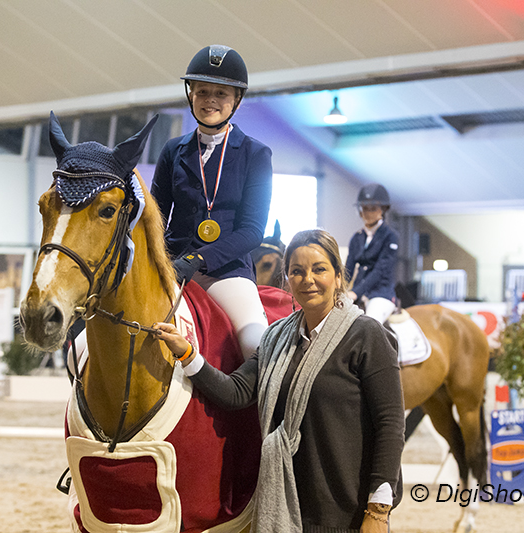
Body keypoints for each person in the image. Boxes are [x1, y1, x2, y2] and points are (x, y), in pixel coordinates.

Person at [152, 229, 405, 533]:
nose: (308, 279)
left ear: (338, 277)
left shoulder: (366, 335)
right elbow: (237, 392)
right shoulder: (276, 337)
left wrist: (378, 511)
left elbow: (390, 424)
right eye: (297, 271)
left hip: (348, 508)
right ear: (287, 278)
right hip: (290, 502)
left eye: (319, 269)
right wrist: (188, 354)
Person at [150, 44, 273, 359]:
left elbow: (252, 230)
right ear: (191, 95)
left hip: (228, 271)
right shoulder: (172, 151)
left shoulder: (255, 154)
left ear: (236, 100)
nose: (211, 101)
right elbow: (156, 216)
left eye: (221, 93)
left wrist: (199, 260)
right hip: (172, 266)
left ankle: (266, 407)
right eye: (203, 91)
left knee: (255, 344)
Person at [345, 184, 400, 324]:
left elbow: (380, 270)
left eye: (373, 208)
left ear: (383, 209)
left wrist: (355, 292)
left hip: (380, 293)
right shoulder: (357, 237)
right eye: (365, 208)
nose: (368, 213)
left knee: (370, 323)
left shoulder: (390, 236)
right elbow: (348, 268)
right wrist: (340, 288)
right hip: (357, 292)